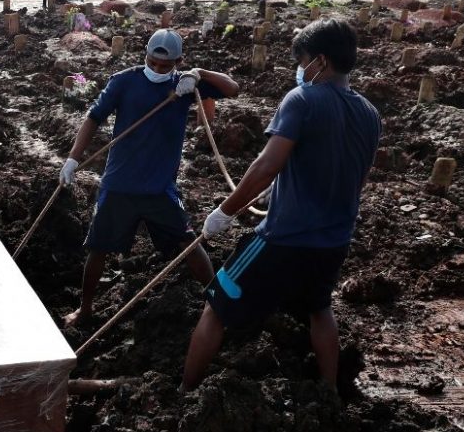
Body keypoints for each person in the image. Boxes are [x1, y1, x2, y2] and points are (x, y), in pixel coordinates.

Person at [181, 19, 381, 392]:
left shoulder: (302, 99)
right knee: (319, 309)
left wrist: (225, 212)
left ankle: (185, 391)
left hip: (281, 239)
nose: (301, 69)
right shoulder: (369, 113)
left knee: (216, 304)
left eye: (303, 60)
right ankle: (329, 394)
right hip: (334, 241)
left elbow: (267, 166)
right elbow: (356, 179)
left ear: (320, 61)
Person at [59, 29, 240, 327]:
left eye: (165, 66)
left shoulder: (185, 85)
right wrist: (73, 158)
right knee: (99, 247)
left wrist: (198, 74)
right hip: (120, 185)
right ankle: (86, 308)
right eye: (152, 62)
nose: (157, 69)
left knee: (189, 244)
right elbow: (93, 117)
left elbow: (233, 89)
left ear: (178, 61)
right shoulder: (124, 81)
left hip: (159, 188)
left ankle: (218, 303)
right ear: (145, 54)